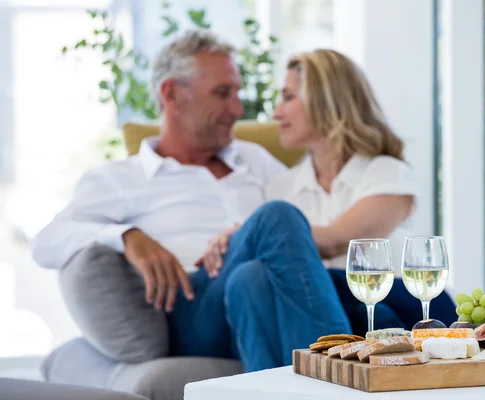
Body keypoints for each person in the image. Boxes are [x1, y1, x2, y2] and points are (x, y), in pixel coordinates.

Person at [31, 31, 350, 372]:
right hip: (191, 309)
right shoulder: (123, 178)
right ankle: (341, 375)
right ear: (172, 95)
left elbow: (301, 234)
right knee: (276, 216)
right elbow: (46, 242)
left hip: (255, 296)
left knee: (251, 278)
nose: (237, 109)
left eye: (237, 93)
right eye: (222, 93)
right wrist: (128, 236)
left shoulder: (253, 161)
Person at [201, 49, 456, 334]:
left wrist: (253, 233)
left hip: (391, 318)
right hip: (307, 318)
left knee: (372, 314)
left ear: (325, 100)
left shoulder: (387, 174)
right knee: (249, 278)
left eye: (288, 97)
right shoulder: (280, 188)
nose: (276, 113)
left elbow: (339, 241)